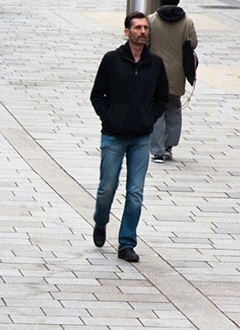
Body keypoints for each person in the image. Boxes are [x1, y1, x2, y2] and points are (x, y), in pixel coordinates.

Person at [89, 11, 168, 263]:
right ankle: (101, 221)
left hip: (140, 138)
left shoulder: (154, 64)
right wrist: (109, 118)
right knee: (106, 189)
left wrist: (149, 119)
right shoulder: (112, 60)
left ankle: (126, 243)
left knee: (135, 192)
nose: (143, 32)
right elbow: (96, 95)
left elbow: (162, 98)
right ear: (127, 32)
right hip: (113, 136)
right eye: (137, 28)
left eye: (145, 28)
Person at [147, 0, 197, 162]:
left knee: (156, 111)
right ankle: (169, 146)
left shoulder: (151, 20)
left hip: (155, 72)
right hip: (177, 73)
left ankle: (157, 150)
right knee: (174, 108)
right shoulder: (187, 21)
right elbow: (193, 44)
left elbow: (145, 43)